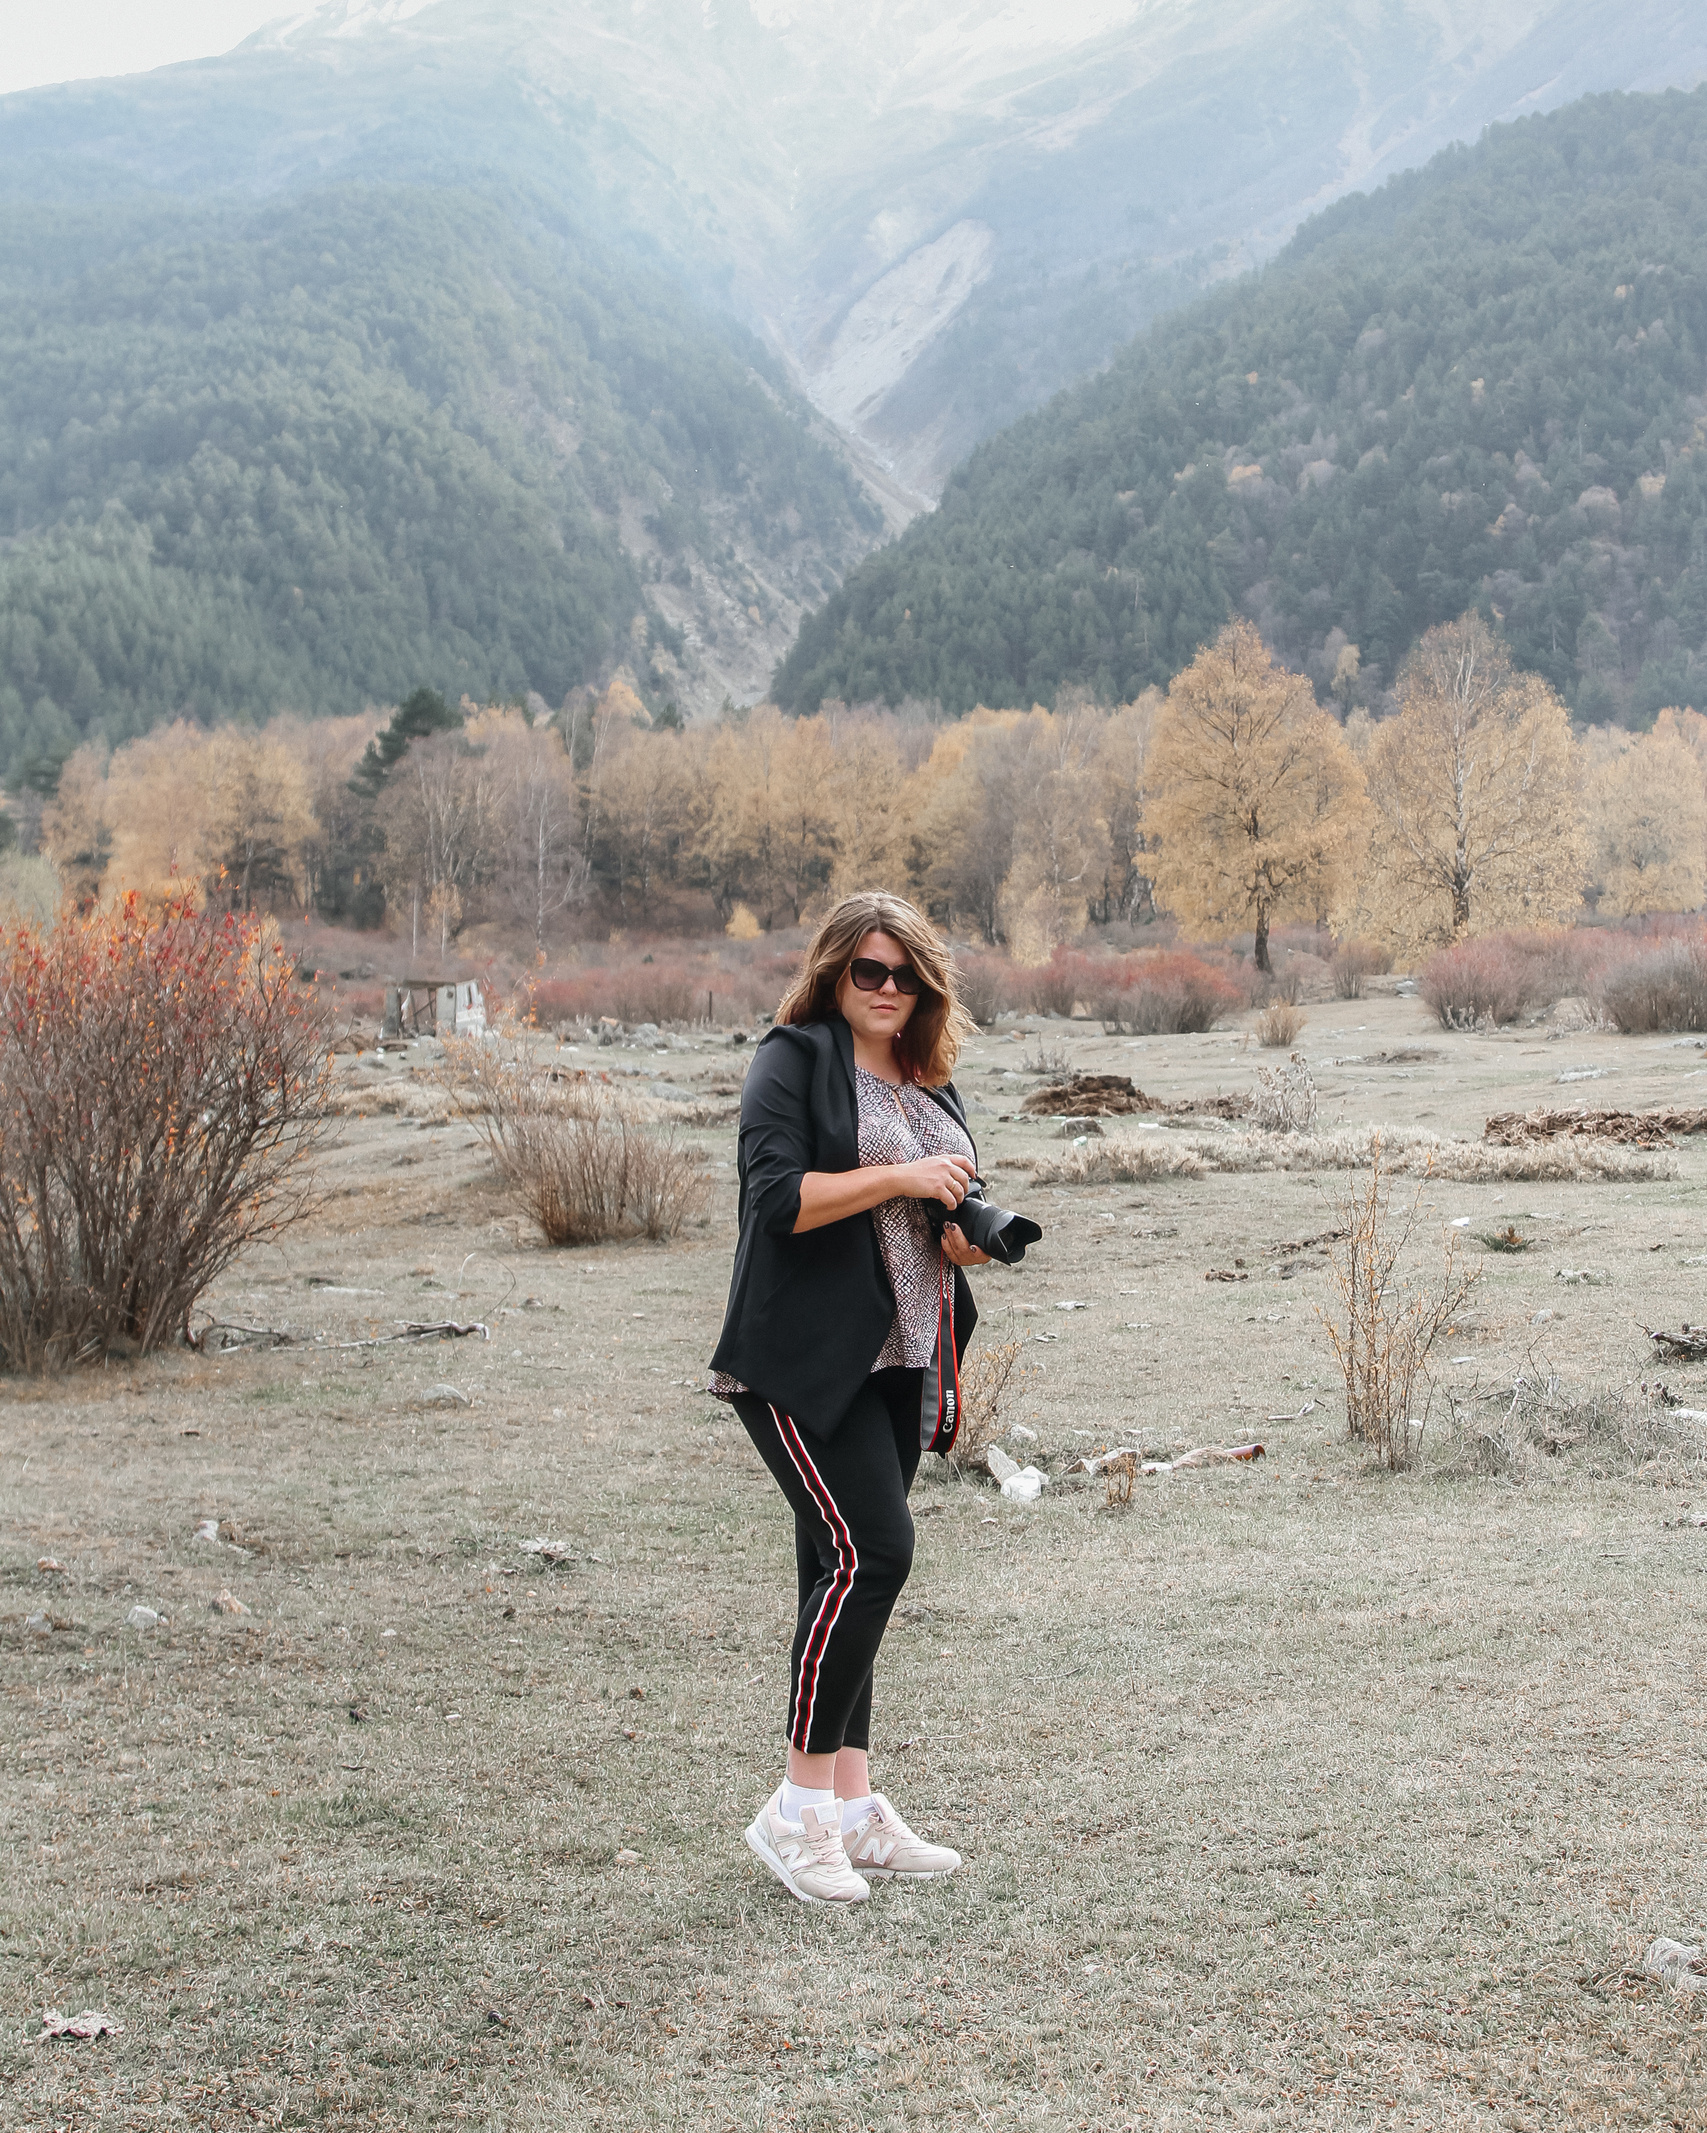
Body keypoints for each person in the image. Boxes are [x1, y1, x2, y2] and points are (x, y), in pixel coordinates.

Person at [709, 890, 991, 1904]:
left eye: (905, 973)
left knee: (842, 1572)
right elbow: (776, 1198)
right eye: (868, 970)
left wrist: (957, 1234)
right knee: (876, 1556)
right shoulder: (796, 1056)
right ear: (834, 972)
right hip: (801, 1359)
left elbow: (933, 1213)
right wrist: (902, 1176)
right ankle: (795, 1814)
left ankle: (855, 1810)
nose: (886, 989)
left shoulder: (929, 1076)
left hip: (902, 1353)